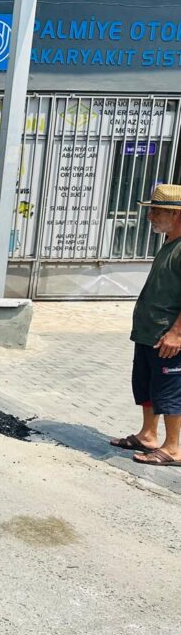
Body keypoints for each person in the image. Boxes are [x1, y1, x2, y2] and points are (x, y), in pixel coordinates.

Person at [109, 183, 181, 467]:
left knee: (170, 389)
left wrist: (176, 333)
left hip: (168, 335)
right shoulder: (169, 244)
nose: (150, 217)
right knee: (147, 385)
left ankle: (174, 447)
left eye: (155, 212)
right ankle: (148, 435)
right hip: (150, 331)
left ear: (174, 215)